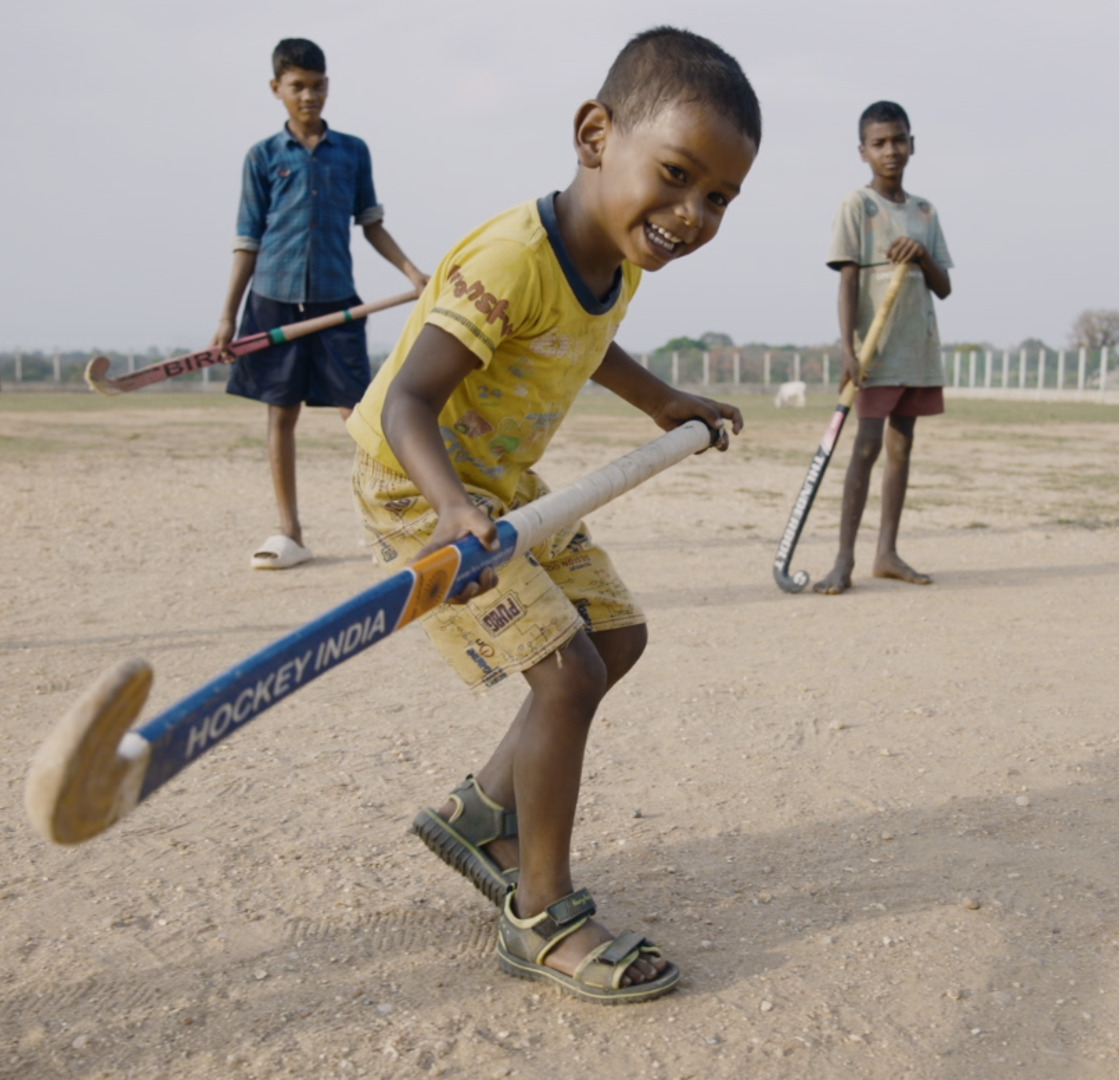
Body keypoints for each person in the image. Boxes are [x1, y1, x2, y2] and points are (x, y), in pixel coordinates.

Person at [347, 27, 755, 1003]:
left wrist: (663, 400)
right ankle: (540, 916)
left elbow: (584, 340)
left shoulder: (618, 255)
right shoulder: (513, 258)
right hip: (421, 484)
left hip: (499, 489)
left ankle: (483, 809)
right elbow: (406, 399)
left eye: (719, 198)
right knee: (565, 675)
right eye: (676, 174)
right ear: (593, 134)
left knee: (615, 636)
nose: (691, 214)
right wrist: (448, 509)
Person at [211, 37, 429, 571]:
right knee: (280, 414)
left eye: (318, 85)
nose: (309, 96)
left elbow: (371, 222)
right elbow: (247, 240)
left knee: (361, 415)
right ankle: (290, 533)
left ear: (328, 85)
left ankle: (396, 525)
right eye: (297, 87)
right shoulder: (262, 157)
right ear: (277, 89)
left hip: (337, 303)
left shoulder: (352, 152)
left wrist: (412, 272)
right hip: (273, 298)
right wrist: (226, 316)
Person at [813, 100, 953, 596]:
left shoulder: (924, 212)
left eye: (898, 140)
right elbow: (847, 282)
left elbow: (944, 286)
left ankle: (887, 552)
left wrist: (919, 254)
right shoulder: (859, 207)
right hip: (875, 349)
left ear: (912, 144)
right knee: (865, 447)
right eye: (879, 143)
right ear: (863, 151)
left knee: (901, 446)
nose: (890, 150)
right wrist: (849, 349)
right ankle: (843, 560)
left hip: (917, 348)